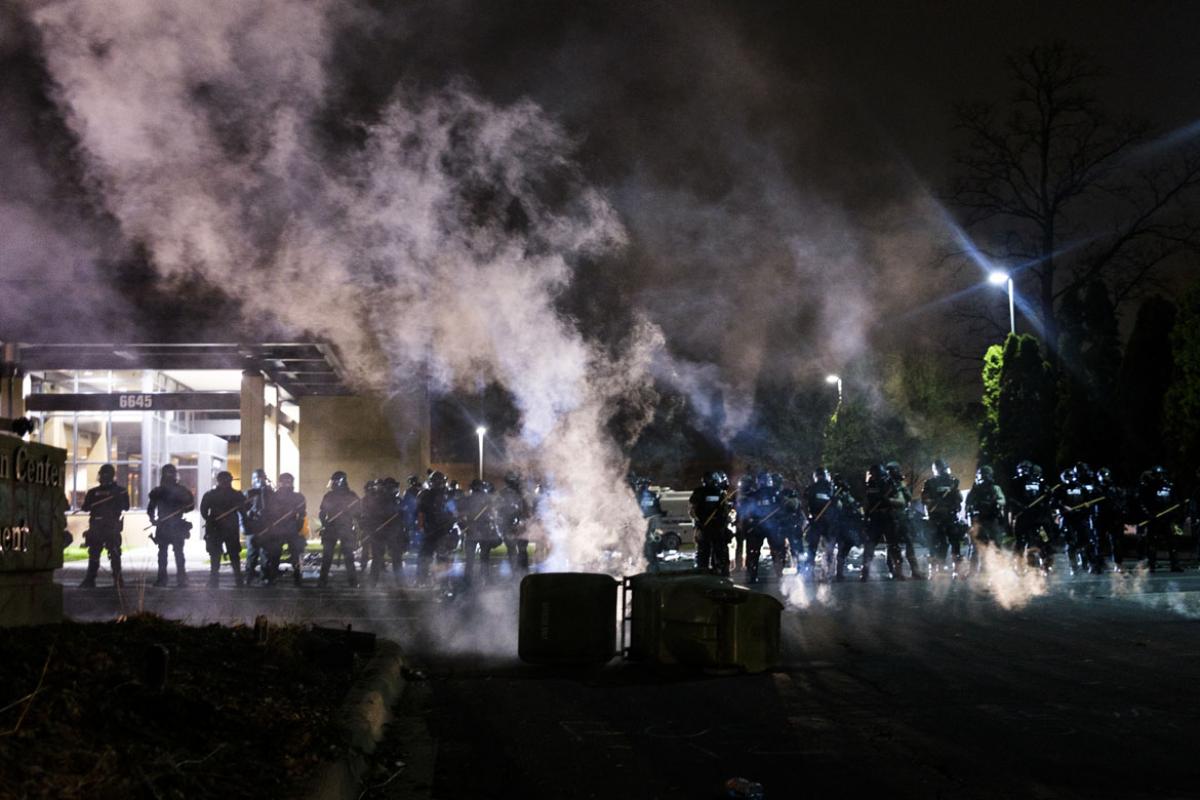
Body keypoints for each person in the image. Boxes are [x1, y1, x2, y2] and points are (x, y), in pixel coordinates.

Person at [79, 463, 130, 588]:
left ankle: (118, 580)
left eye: (103, 474)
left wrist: (117, 499)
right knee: (94, 554)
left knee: (114, 553)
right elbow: (85, 507)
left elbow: (126, 506)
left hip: (111, 525)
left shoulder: (120, 491)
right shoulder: (93, 492)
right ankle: (90, 579)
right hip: (96, 526)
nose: (102, 476)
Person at [147, 463, 195, 587]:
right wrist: (153, 520)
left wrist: (153, 519)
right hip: (166, 524)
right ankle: (175, 579)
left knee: (171, 553)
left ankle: (173, 579)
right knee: (171, 553)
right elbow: (151, 509)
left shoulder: (165, 490)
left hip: (173, 524)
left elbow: (190, 506)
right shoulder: (160, 491)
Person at [199, 470, 245, 587]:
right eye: (223, 480)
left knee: (233, 554)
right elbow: (204, 510)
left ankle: (238, 580)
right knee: (215, 555)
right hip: (216, 528)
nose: (225, 482)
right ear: (218, 481)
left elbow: (244, 510)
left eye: (227, 480)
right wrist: (210, 519)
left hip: (230, 528)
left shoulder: (237, 495)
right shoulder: (211, 495)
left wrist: (243, 505)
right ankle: (215, 580)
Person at [1136, 466, 1183, 572]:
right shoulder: (1149, 487)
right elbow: (1143, 502)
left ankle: (1175, 564)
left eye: (1162, 474)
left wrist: (1174, 513)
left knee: (1172, 542)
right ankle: (1151, 564)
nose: (1161, 476)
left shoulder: (1169, 487)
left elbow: (1174, 501)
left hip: (1167, 519)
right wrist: (1149, 514)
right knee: (1152, 542)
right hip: (1154, 519)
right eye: (1159, 474)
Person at [1009, 461, 1054, 572]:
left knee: (1045, 538)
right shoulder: (1015, 482)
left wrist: (1049, 494)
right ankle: (1018, 563)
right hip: (1022, 517)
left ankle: (1046, 562)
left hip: (1038, 517)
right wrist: (1021, 506)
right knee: (1021, 540)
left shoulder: (1039, 482)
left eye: (1026, 469)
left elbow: (1047, 497)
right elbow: (1010, 497)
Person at [318, 470, 361, 587]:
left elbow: (358, 511)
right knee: (327, 556)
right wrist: (325, 523)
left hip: (345, 527)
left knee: (348, 556)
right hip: (332, 527)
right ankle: (323, 580)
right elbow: (322, 513)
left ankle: (352, 581)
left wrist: (350, 512)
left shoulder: (351, 496)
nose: (332, 483)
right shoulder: (330, 495)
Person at [264, 472, 307, 585]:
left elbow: (302, 513)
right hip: (282, 528)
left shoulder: (296, 496)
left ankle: (295, 575)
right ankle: (277, 575)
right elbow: (269, 513)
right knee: (276, 554)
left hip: (288, 527)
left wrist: (298, 525)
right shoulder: (275, 496)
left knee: (293, 553)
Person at [921, 459, 962, 574]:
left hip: (949, 515)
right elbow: (925, 499)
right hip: (936, 516)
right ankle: (938, 567)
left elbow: (958, 499)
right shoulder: (930, 483)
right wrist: (934, 503)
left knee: (955, 541)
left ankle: (957, 568)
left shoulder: (952, 482)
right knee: (939, 542)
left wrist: (952, 504)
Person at [416, 470, 458, 585]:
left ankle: (440, 581)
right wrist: (421, 527)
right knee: (426, 557)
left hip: (442, 530)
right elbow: (421, 513)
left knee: (438, 557)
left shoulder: (447, 495)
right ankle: (425, 580)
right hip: (432, 530)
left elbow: (454, 512)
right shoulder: (427, 495)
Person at [459, 479, 502, 586]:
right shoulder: (485, 499)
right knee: (484, 557)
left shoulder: (467, 499)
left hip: (474, 532)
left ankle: (468, 580)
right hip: (483, 533)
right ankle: (485, 578)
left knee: (470, 558)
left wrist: (465, 526)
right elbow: (493, 515)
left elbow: (460, 516)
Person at [886, 462, 925, 579]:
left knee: (908, 542)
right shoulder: (885, 484)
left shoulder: (899, 483)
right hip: (891, 517)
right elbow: (885, 500)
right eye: (894, 470)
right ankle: (896, 570)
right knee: (893, 544)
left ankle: (915, 570)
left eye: (897, 470)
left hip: (902, 516)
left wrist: (901, 486)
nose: (897, 472)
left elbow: (908, 497)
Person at [745, 471, 786, 584]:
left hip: (769, 526)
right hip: (761, 526)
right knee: (772, 551)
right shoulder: (774, 493)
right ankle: (776, 575)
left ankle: (755, 575)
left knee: (759, 551)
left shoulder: (773, 493)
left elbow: (782, 508)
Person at [965, 465, 1006, 574]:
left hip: (992, 519)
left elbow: (1002, 499)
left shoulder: (995, 488)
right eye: (982, 475)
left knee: (996, 545)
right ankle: (972, 570)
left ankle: (998, 569)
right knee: (975, 546)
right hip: (978, 521)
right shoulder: (975, 490)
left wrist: (996, 504)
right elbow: (968, 505)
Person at [690, 471, 733, 576]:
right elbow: (693, 510)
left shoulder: (715, 493)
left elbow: (692, 510)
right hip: (712, 527)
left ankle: (708, 571)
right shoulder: (718, 493)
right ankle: (717, 571)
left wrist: (698, 523)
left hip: (711, 527)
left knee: (706, 551)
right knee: (714, 551)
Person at [803, 466, 839, 579]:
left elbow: (805, 505)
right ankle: (827, 572)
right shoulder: (830, 488)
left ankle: (810, 572)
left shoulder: (812, 488)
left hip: (817, 521)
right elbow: (838, 507)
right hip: (826, 522)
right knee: (828, 548)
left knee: (812, 548)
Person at [242, 469, 273, 584]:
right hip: (253, 527)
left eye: (262, 478)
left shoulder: (270, 493)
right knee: (252, 553)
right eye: (257, 478)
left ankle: (265, 576)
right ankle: (249, 575)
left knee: (265, 553)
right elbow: (242, 510)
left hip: (266, 527)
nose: (260, 480)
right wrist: (246, 520)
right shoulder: (249, 493)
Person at [497, 472, 530, 576]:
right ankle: (516, 572)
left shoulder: (523, 494)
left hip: (519, 524)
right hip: (509, 524)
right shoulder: (503, 494)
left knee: (521, 549)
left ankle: (522, 571)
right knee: (513, 549)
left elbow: (527, 510)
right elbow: (499, 510)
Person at [830, 475, 861, 581]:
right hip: (836, 526)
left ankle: (838, 572)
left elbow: (853, 506)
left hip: (845, 525)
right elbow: (838, 507)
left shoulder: (845, 495)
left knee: (842, 550)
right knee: (833, 550)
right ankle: (834, 573)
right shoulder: (833, 494)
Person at [635, 477, 667, 571]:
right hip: (652, 523)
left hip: (645, 524)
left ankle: (648, 565)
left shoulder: (637, 496)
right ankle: (653, 565)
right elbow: (658, 510)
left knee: (646, 545)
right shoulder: (653, 495)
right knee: (652, 545)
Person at [733, 474, 758, 573]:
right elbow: (733, 506)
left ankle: (749, 565)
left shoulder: (753, 494)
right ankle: (738, 565)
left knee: (750, 546)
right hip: (740, 522)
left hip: (750, 523)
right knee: (739, 546)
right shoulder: (737, 494)